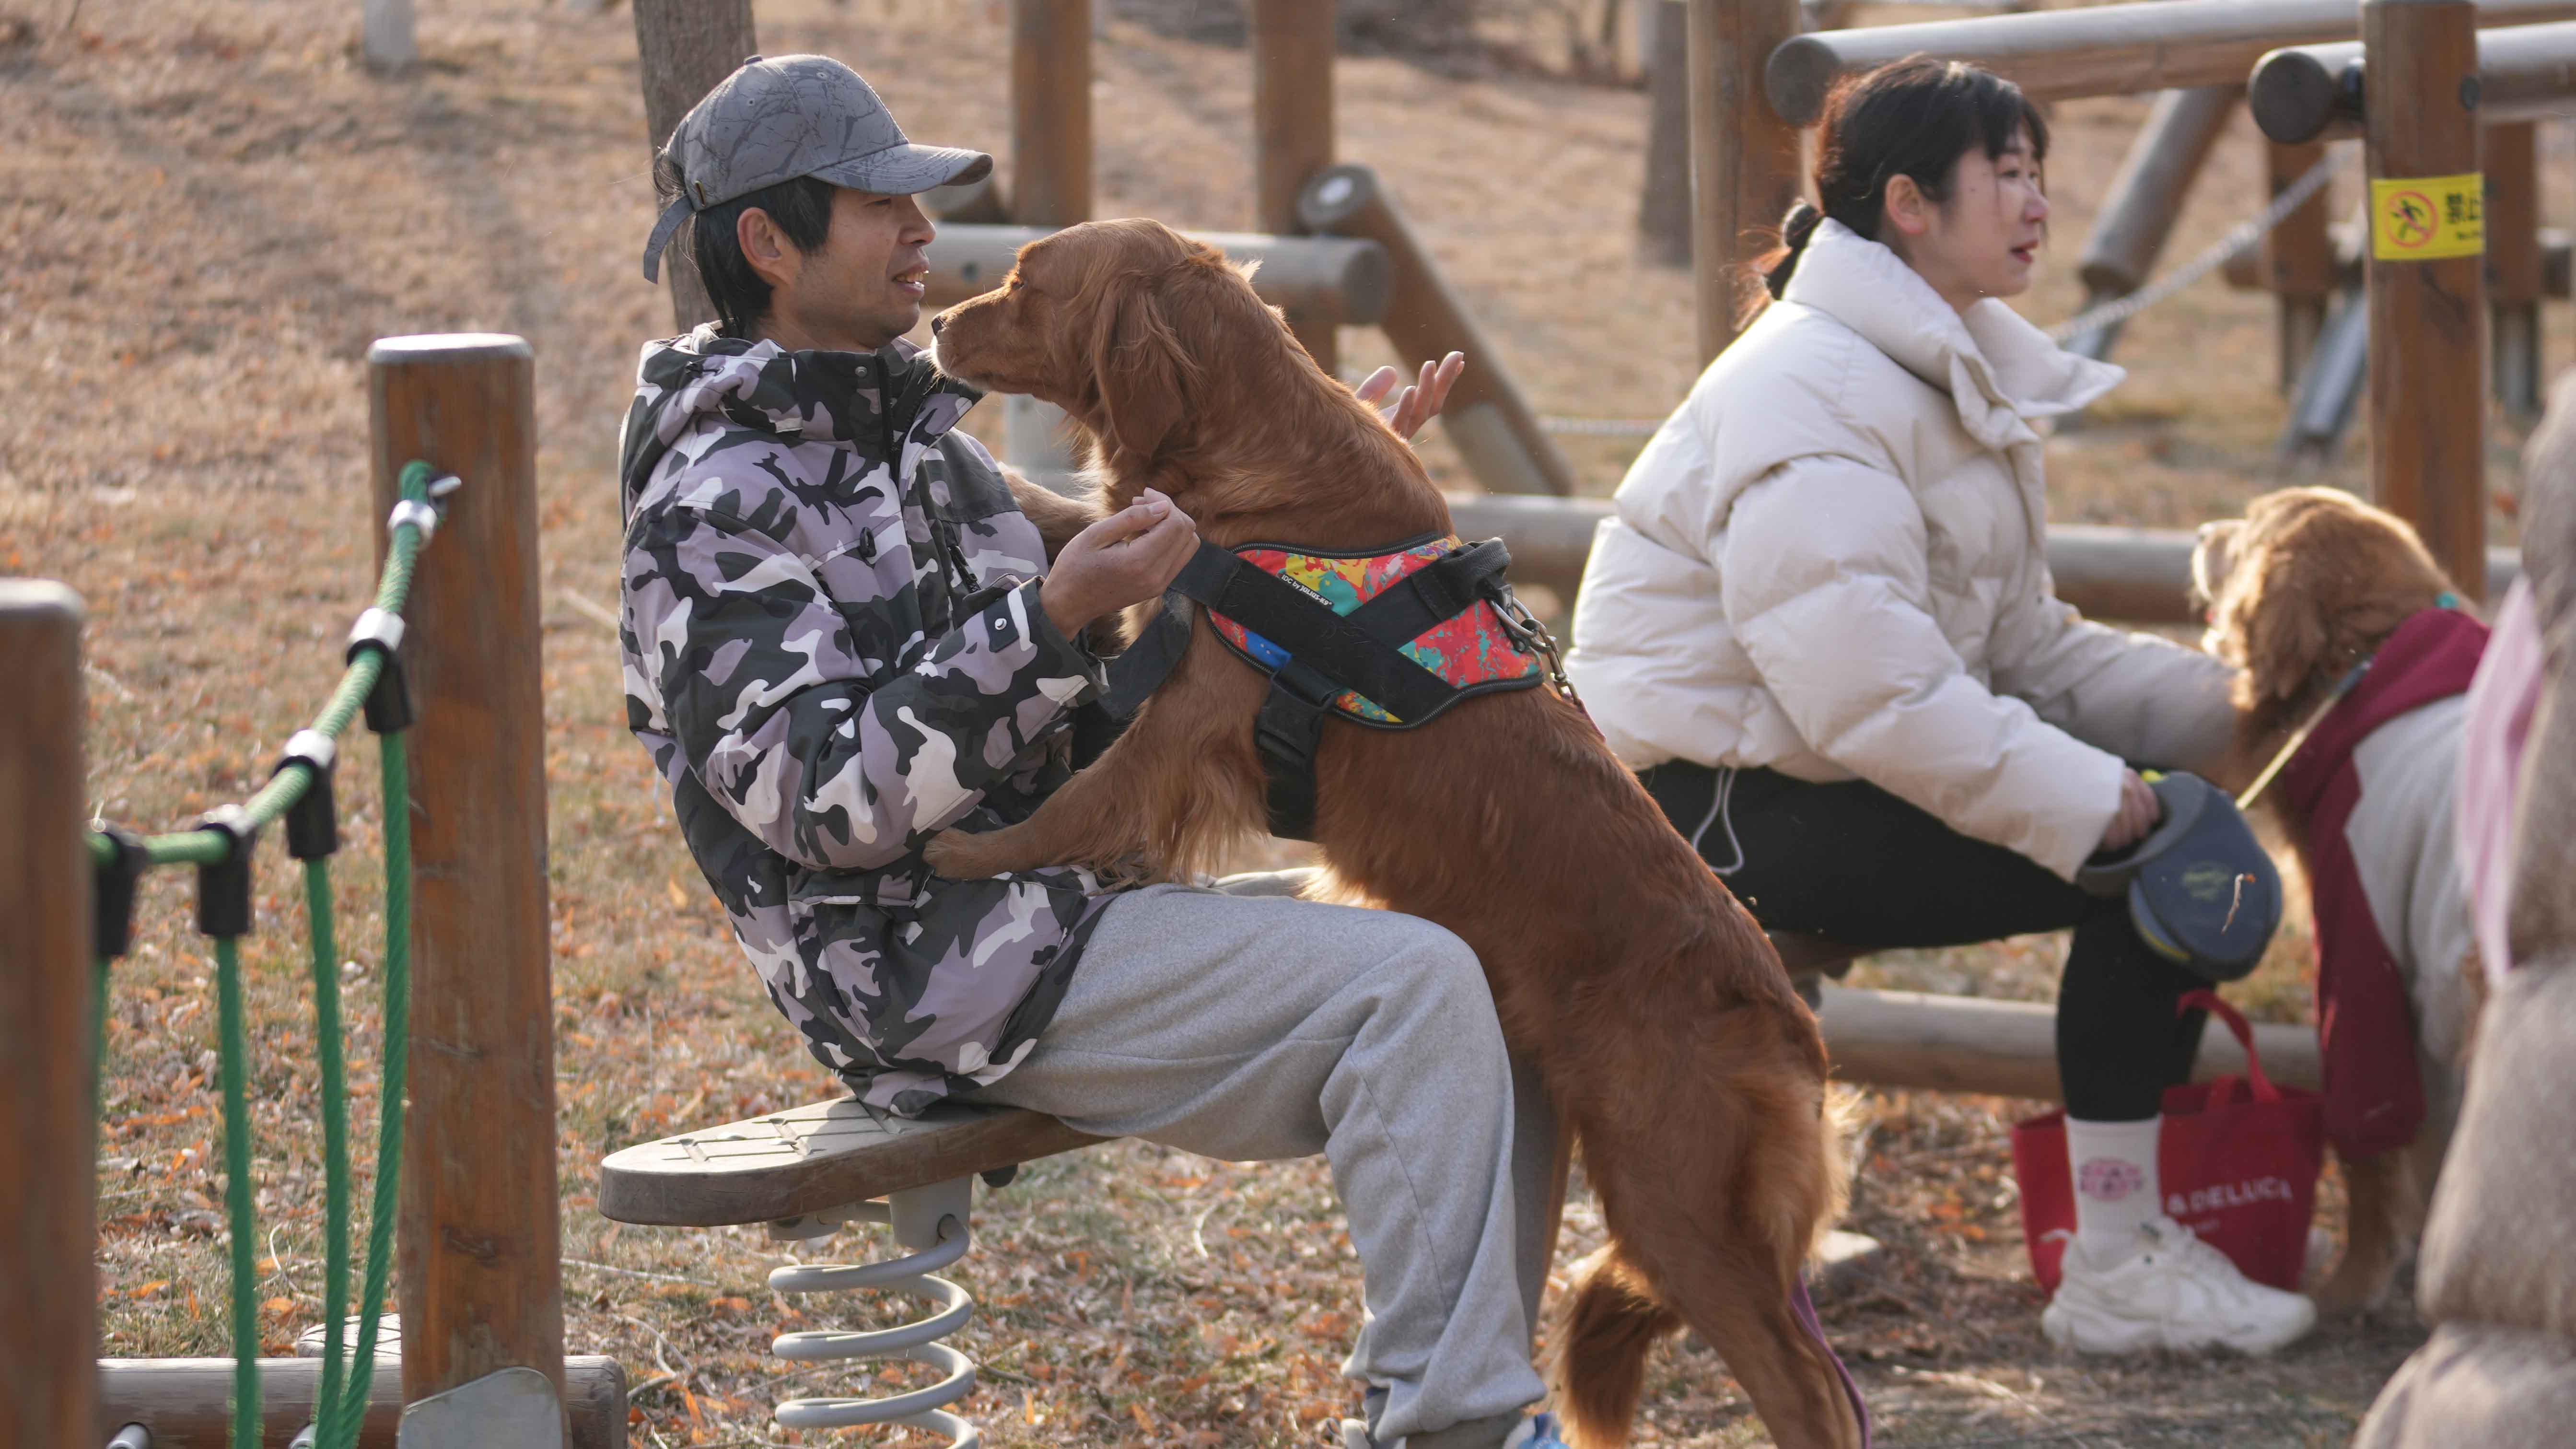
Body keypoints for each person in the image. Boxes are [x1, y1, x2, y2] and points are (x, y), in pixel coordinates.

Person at [620, 55, 1561, 1449]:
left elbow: (1152, 560)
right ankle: (1460, 1430)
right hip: (921, 959)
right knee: (1414, 989)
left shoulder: (903, 439)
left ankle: (1450, 1407)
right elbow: (823, 802)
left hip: (1063, 905)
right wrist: (1046, 622)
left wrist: (1324, 466)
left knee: (1500, 965)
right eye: (881, 204)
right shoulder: (715, 506)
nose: (923, 232)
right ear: (769, 242)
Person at [1563, 58, 2316, 1356]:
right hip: (1702, 804)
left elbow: (2020, 645)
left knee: (2160, 830)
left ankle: (2122, 1249)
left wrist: (2255, 710)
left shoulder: (1925, 368)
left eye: (2039, 173)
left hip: (1795, 772)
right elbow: (1871, 691)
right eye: (2006, 174)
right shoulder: (1813, 389)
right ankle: (2120, 1263)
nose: (2035, 203)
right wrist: (2105, 803)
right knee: (2148, 865)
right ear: (1908, 203)